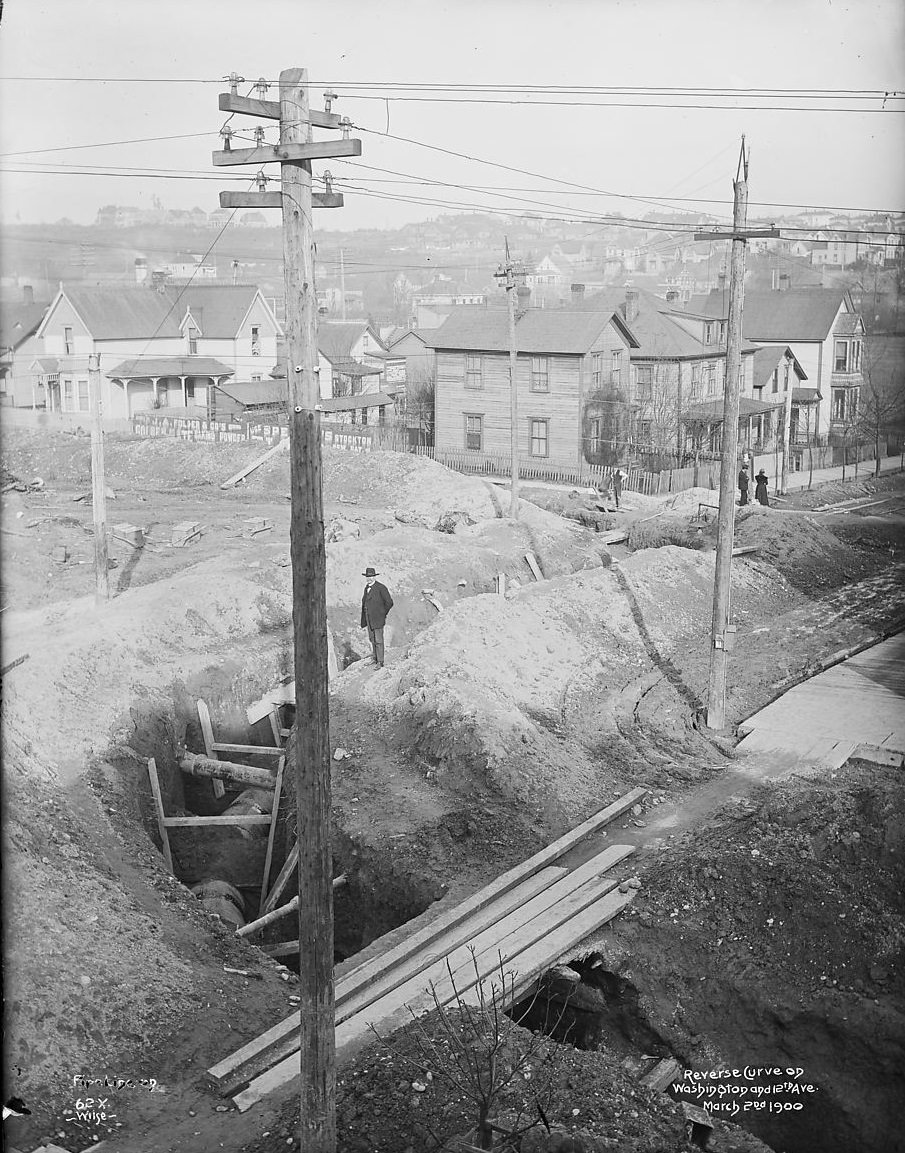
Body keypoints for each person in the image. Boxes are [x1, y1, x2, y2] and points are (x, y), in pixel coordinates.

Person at [360, 566, 393, 668]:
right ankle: (375, 658)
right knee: (372, 639)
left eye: (371, 576)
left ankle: (380, 662)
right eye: (368, 576)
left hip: (378, 618)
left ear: (375, 577)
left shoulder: (381, 588)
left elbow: (389, 602)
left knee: (378, 640)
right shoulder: (367, 588)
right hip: (369, 618)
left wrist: (382, 613)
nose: (369, 578)